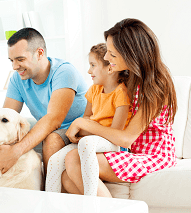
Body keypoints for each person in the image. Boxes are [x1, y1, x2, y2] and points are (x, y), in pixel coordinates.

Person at [62, 18, 177, 197]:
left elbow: (126, 139)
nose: (107, 58)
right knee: (66, 178)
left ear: (132, 55)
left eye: (112, 54)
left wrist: (85, 124)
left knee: (74, 160)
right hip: (129, 152)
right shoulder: (129, 78)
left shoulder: (155, 86)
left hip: (151, 156)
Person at [0, 27, 88, 185]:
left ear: (40, 53)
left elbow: (53, 120)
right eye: (11, 60)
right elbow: (6, 116)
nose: (14, 66)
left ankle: (49, 197)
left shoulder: (64, 72)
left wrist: (15, 151)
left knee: (51, 140)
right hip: (48, 130)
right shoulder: (17, 79)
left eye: (20, 59)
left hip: (78, 131)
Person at [63, 43, 132, 196]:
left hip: (113, 145)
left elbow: (115, 134)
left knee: (82, 146)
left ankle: (97, 206)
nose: (88, 71)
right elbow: (86, 117)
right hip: (95, 138)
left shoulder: (121, 93)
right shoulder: (94, 89)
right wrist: (86, 126)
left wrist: (86, 127)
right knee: (61, 171)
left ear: (110, 68)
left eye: (93, 65)